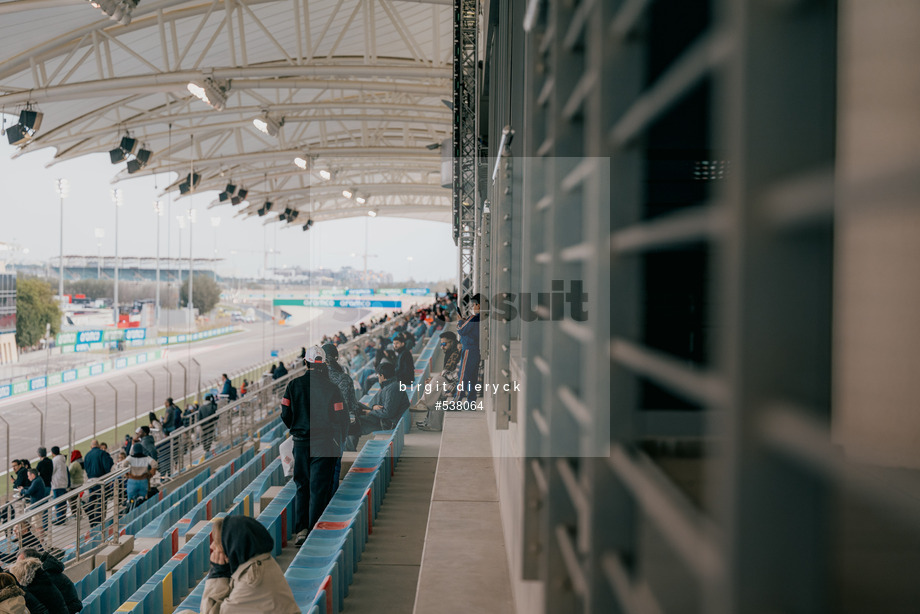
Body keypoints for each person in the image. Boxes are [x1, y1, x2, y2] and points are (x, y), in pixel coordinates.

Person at [281, 346, 348, 546]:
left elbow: (285, 414)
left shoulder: (293, 386)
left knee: (302, 485)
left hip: (301, 443)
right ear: (323, 363)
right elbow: (340, 416)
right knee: (319, 488)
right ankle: (315, 530)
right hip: (325, 444)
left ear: (305, 362)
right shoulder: (332, 388)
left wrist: (297, 428)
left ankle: (301, 530)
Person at [176, 516, 299, 614]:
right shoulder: (259, 562)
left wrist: (218, 574)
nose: (212, 546)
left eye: (217, 542)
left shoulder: (253, 579)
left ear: (233, 545)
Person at [321, 343, 359, 495]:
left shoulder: (318, 379)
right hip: (340, 428)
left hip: (321, 427)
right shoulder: (345, 378)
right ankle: (332, 495)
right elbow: (352, 405)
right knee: (335, 464)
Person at [346, 362, 410, 451]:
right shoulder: (390, 386)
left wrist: (371, 411)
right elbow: (381, 404)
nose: (378, 377)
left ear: (382, 376)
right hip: (382, 417)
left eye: (378, 375)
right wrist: (374, 407)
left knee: (353, 423)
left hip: (386, 423)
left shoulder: (393, 389)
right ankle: (349, 448)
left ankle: (349, 450)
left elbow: (388, 413)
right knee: (356, 405)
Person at [417, 331, 462, 432]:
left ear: (452, 342)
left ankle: (424, 404)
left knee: (435, 387)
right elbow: (446, 373)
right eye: (441, 344)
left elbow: (454, 376)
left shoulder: (456, 354)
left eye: (444, 344)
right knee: (434, 389)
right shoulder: (450, 353)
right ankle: (431, 422)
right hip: (449, 383)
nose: (442, 347)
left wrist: (436, 378)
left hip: (456, 385)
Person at [456, 293, 482, 403]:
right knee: (472, 377)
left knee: (463, 376)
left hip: (468, 350)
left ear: (479, 305)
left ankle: (456, 401)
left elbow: (461, 329)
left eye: (474, 305)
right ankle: (471, 401)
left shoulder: (473, 318)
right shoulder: (482, 318)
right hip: (476, 350)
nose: (473, 308)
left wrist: (460, 320)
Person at [83, 440, 113, 527]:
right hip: (101, 480)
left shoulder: (87, 455)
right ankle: (99, 520)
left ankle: (92, 520)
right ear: (99, 445)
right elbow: (107, 466)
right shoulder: (102, 453)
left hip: (90, 481)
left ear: (91, 446)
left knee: (92, 500)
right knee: (101, 500)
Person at [49, 447, 68, 524]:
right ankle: (62, 517)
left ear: (52, 453)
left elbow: (51, 471)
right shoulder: (62, 459)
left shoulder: (55, 460)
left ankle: (60, 519)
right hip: (63, 483)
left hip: (57, 484)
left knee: (58, 502)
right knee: (62, 502)